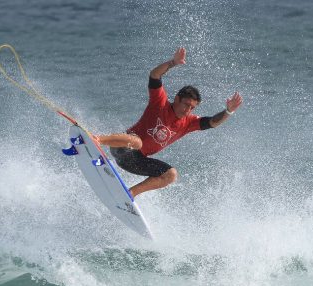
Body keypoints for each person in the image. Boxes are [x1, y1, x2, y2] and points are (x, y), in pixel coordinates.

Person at [94, 47, 243, 198]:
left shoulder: (189, 122)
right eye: (186, 104)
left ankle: (130, 194)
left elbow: (212, 122)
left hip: (136, 162)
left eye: (192, 107)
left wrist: (228, 111)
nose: (187, 110)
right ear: (177, 99)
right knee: (138, 143)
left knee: (171, 175)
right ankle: (97, 140)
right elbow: (154, 75)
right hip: (121, 148)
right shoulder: (160, 103)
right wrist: (172, 63)